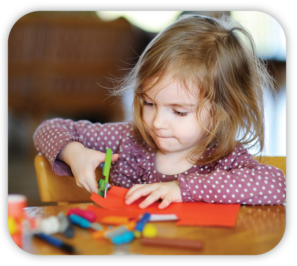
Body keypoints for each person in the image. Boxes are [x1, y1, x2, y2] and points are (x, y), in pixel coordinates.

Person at [33, 14, 286, 209]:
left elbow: (276, 184)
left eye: (178, 112)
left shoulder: (224, 157)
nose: (157, 123)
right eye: (149, 103)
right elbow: (48, 129)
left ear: (222, 111)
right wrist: (74, 153)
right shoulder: (130, 140)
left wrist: (182, 189)